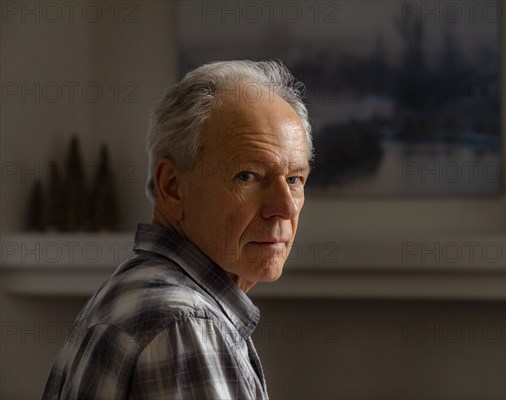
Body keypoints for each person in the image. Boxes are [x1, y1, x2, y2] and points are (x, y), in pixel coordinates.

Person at [42, 60, 313, 399]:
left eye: (294, 179)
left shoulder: (136, 290)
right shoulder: (186, 324)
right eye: (248, 176)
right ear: (172, 187)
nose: (285, 208)